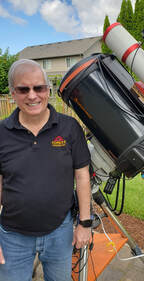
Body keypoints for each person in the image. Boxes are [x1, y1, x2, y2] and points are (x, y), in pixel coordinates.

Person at [0, 59, 92, 281]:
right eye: (24, 89)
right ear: (13, 93)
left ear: (48, 90)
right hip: (12, 236)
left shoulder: (70, 128)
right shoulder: (1, 132)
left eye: (38, 88)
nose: (32, 96)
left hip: (60, 232)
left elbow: (82, 177)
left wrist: (85, 224)